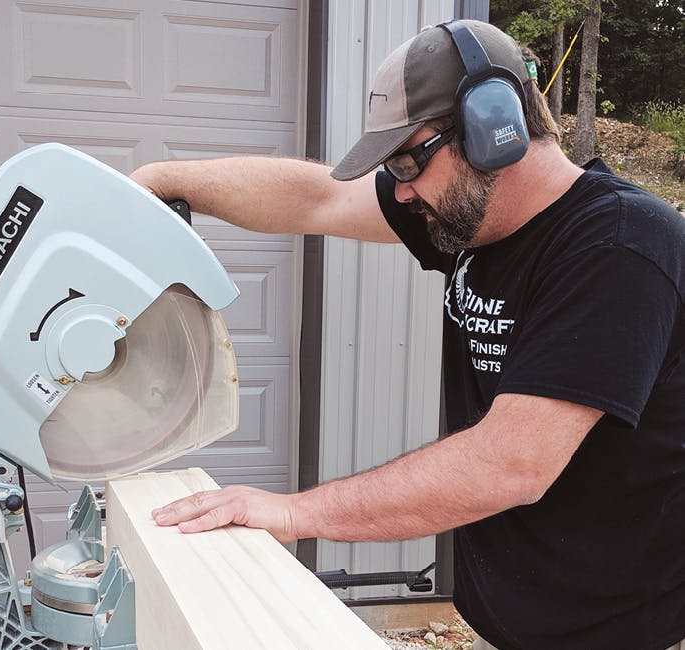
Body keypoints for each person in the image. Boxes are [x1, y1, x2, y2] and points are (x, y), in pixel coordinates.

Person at [131, 19, 685, 650]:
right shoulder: (471, 216)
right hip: (519, 626)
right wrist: (161, 182)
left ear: (492, 127)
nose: (401, 189)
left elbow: (512, 463)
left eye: (407, 160)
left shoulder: (620, 249)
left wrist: (292, 513)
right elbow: (318, 199)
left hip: (622, 634)